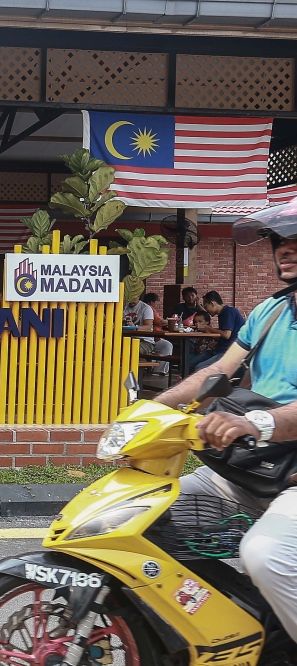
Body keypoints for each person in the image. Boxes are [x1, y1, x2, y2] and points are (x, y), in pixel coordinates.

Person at [154, 208, 297, 646]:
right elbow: (217, 371)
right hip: (254, 466)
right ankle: (234, 630)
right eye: (279, 241)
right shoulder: (269, 312)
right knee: (144, 524)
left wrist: (252, 421)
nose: (287, 249)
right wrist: (152, 409)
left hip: (290, 474)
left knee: (266, 555)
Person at [190, 290, 245, 372]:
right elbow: (221, 334)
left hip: (228, 352)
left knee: (200, 368)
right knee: (190, 364)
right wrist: (207, 331)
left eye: (206, 306)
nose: (206, 310)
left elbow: (226, 335)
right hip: (218, 349)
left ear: (212, 303)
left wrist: (208, 328)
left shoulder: (229, 311)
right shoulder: (222, 314)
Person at [124, 293, 175, 375]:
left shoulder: (146, 308)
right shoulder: (124, 307)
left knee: (128, 349)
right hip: (127, 339)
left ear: (139, 296)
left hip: (145, 341)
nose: (131, 300)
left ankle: (141, 372)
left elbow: (148, 327)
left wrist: (135, 327)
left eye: (134, 297)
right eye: (129, 297)